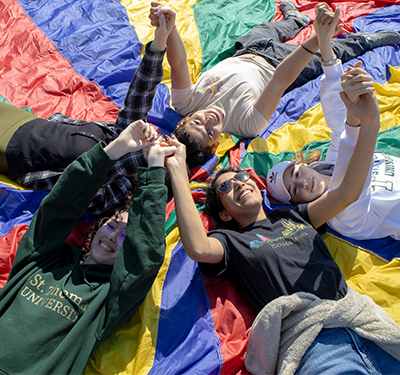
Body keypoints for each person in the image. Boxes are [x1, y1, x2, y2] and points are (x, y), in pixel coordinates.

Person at [163, 8, 400, 375]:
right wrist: (178, 171)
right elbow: (197, 247)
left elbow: (347, 192)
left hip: (365, 324)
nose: (240, 182)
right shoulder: (232, 243)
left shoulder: (294, 216)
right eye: (227, 186)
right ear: (224, 212)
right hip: (315, 343)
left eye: (241, 177)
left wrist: (369, 123)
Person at [0, 118, 176, 374]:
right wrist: (114, 150)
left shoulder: (108, 300)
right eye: (112, 225)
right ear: (97, 226)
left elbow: (146, 250)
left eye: (125, 237)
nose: (113, 236)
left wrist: (155, 168)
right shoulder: (41, 259)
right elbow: (59, 204)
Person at [150, 1, 400, 166]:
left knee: (266, 28)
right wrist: (317, 39)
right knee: (332, 50)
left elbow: (179, 63)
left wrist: (170, 28)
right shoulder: (246, 124)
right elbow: (281, 79)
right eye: (210, 132)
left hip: (246, 51)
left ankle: (294, 20)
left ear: (184, 120)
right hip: (276, 64)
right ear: (217, 143)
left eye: (197, 122)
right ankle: (365, 40)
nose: (209, 121)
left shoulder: (184, 103)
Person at [0, 8, 176, 218]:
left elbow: (83, 181)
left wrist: (144, 158)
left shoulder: (114, 193)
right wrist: (160, 41)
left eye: (163, 157)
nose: (161, 146)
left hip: (11, 151)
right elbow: (141, 94)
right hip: (22, 121)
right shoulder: (121, 135)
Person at [266, 44, 400, 240]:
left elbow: (339, 123)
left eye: (296, 173)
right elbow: (350, 187)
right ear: (297, 204)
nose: (302, 183)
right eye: (294, 190)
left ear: (303, 165)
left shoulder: (334, 162)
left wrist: (326, 47)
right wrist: (365, 120)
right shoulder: (342, 217)